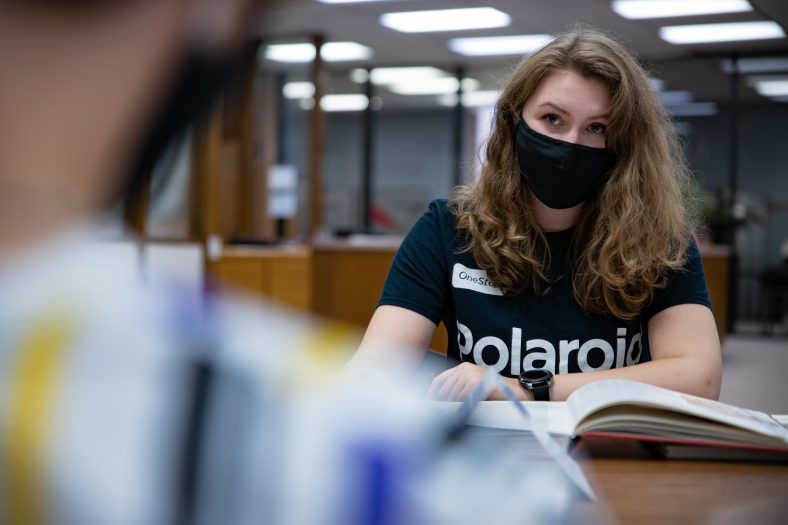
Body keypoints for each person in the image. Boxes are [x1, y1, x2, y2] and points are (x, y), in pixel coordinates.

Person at [353, 29, 722, 403]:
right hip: (490, 450)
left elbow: (699, 378)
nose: (571, 144)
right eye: (552, 119)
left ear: (625, 143)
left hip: (610, 452)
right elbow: (376, 367)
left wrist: (527, 388)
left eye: (597, 128)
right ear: (514, 120)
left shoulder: (660, 240)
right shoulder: (447, 228)